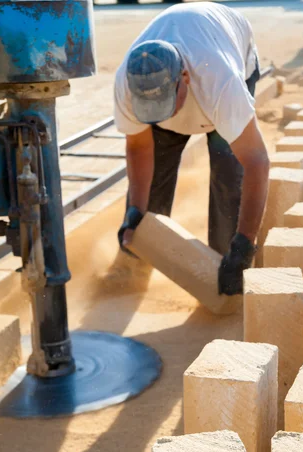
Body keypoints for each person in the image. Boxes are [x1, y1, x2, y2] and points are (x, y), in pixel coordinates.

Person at [114, 2, 269, 295]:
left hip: (226, 48)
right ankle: (137, 266)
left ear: (184, 77)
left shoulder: (222, 82)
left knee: (228, 174)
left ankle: (225, 277)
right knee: (153, 182)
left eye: (166, 105)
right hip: (190, 60)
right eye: (152, 109)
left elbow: (257, 161)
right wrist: (135, 211)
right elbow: (138, 146)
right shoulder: (128, 80)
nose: (165, 116)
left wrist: (245, 246)